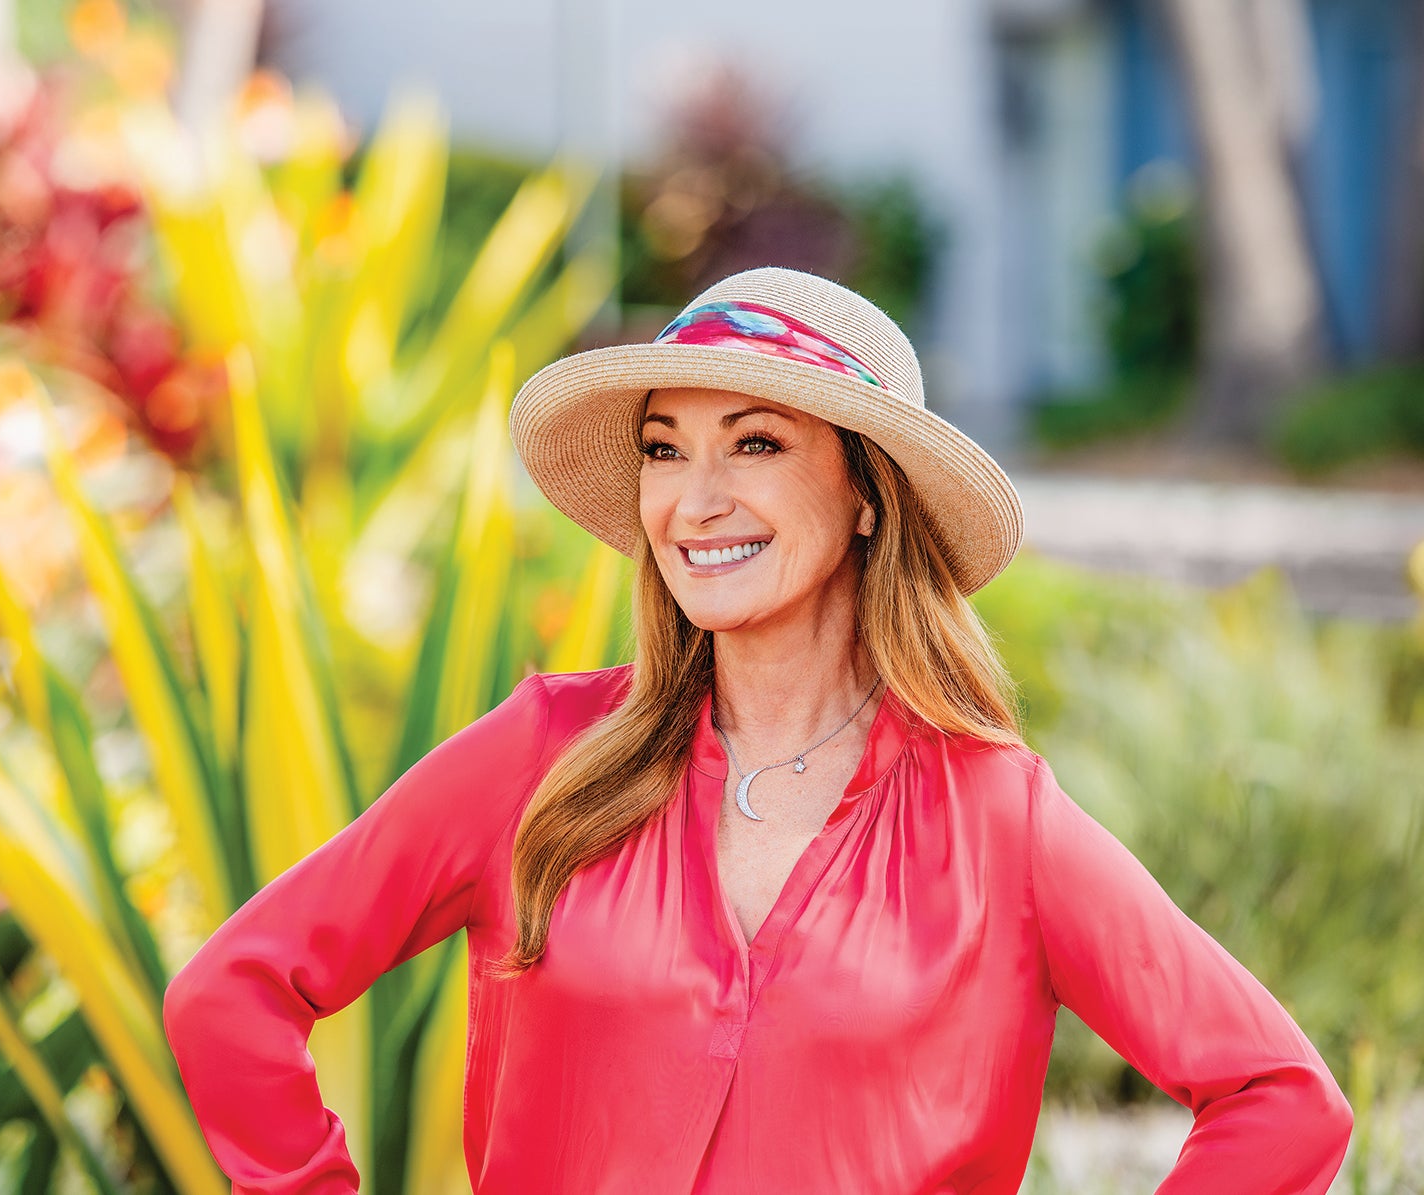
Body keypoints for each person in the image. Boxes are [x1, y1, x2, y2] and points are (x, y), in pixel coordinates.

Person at [160, 266, 1353, 1193]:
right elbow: (233, 993)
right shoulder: (541, 761)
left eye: (757, 443)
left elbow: (1278, 1095)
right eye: (665, 448)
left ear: (867, 492)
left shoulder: (996, 820)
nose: (695, 499)